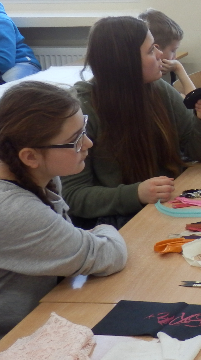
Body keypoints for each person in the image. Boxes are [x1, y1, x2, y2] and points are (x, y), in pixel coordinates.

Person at [61, 16, 201, 228]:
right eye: (150, 50)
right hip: (117, 222)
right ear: (125, 61)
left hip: (165, 205)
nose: (160, 54)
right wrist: (136, 194)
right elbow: (73, 196)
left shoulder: (159, 90)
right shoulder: (82, 109)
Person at [0, 81, 127, 336]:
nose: (88, 143)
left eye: (84, 130)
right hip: (13, 341)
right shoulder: (15, 210)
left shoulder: (40, 177)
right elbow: (107, 255)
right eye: (75, 140)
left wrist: (82, 237)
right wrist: (102, 229)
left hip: (41, 319)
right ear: (30, 157)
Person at [139, 8, 195, 93]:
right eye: (173, 50)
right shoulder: (154, 83)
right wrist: (178, 68)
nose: (175, 57)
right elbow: (195, 100)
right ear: (155, 49)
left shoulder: (158, 83)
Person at [0, 1, 41, 83]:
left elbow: (5, 62)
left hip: (21, 63)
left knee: (12, 88)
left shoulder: (2, 21)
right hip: (3, 69)